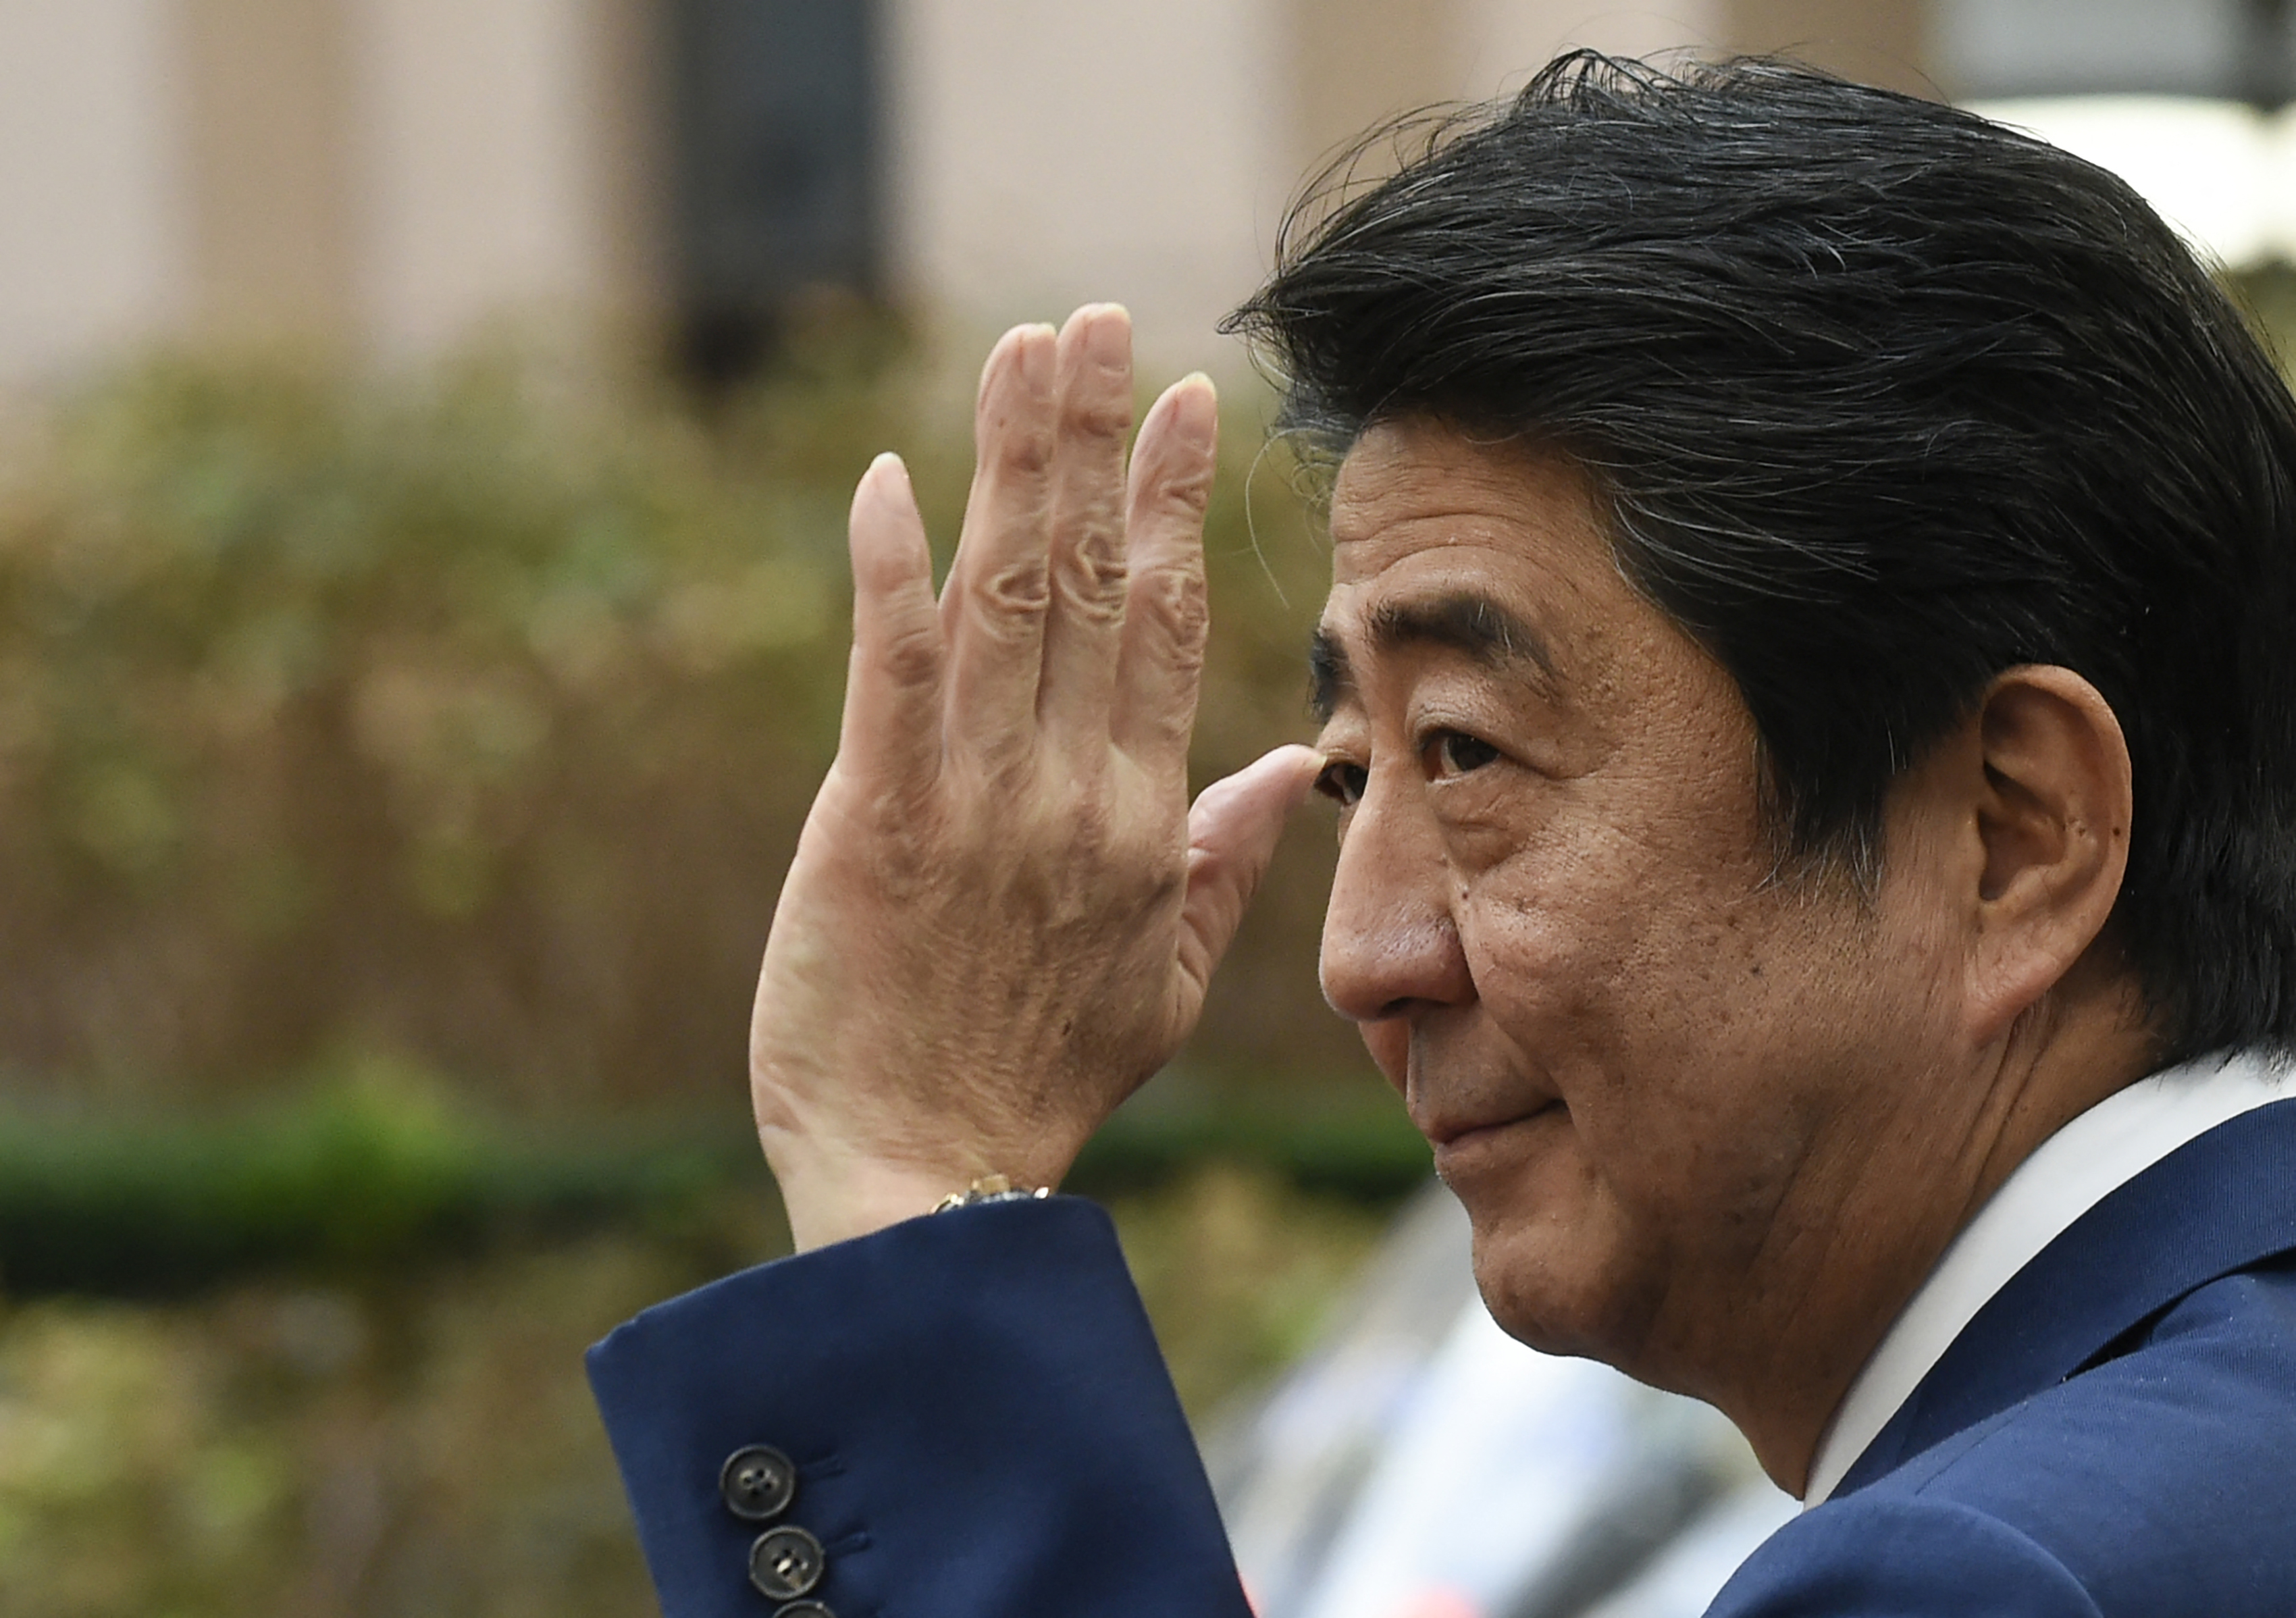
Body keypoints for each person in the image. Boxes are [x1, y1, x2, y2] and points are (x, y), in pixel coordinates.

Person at [587, 53, 2296, 1618]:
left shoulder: (1982, 1576)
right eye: (1348, 776)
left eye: (1467, 754)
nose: (1363, 957)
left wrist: (909, 1174)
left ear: (2011, 834)